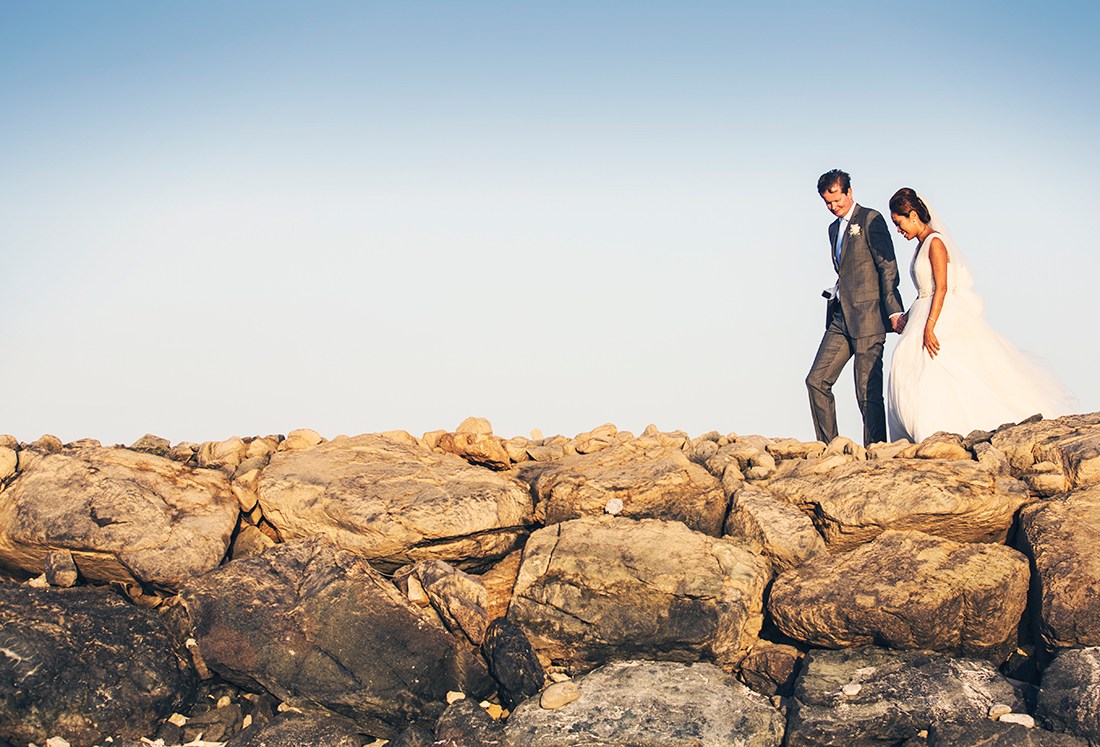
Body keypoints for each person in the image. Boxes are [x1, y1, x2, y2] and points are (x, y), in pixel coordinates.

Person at [885, 188, 1077, 442]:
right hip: (922, 313)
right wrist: (908, 315)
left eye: (899, 223)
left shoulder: (935, 243)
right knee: (908, 367)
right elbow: (925, 290)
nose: (899, 230)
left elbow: (941, 287)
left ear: (912, 215)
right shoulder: (920, 245)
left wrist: (930, 327)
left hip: (938, 317)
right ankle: (920, 433)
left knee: (938, 370)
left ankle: (935, 430)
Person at [807, 169, 905, 446]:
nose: (833, 207)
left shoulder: (871, 219)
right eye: (827, 203)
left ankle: (876, 449)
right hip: (840, 318)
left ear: (849, 192)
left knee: (867, 391)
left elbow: (888, 267)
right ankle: (832, 448)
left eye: (837, 200)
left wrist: (894, 310)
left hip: (870, 316)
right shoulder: (832, 229)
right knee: (816, 380)